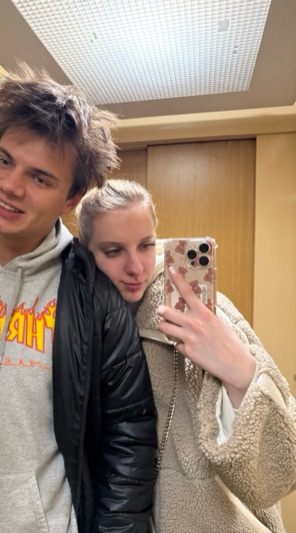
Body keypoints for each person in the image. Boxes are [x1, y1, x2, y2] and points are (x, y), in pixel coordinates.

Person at [0, 66, 157, 532]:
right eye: (4, 160)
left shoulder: (95, 301)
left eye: (40, 178)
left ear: (71, 198)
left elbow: (129, 438)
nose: (10, 186)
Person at [76, 178, 296, 533]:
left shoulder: (207, 316)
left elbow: (281, 469)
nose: (136, 267)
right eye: (114, 251)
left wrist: (241, 373)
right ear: (86, 251)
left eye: (146, 245)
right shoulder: (77, 325)